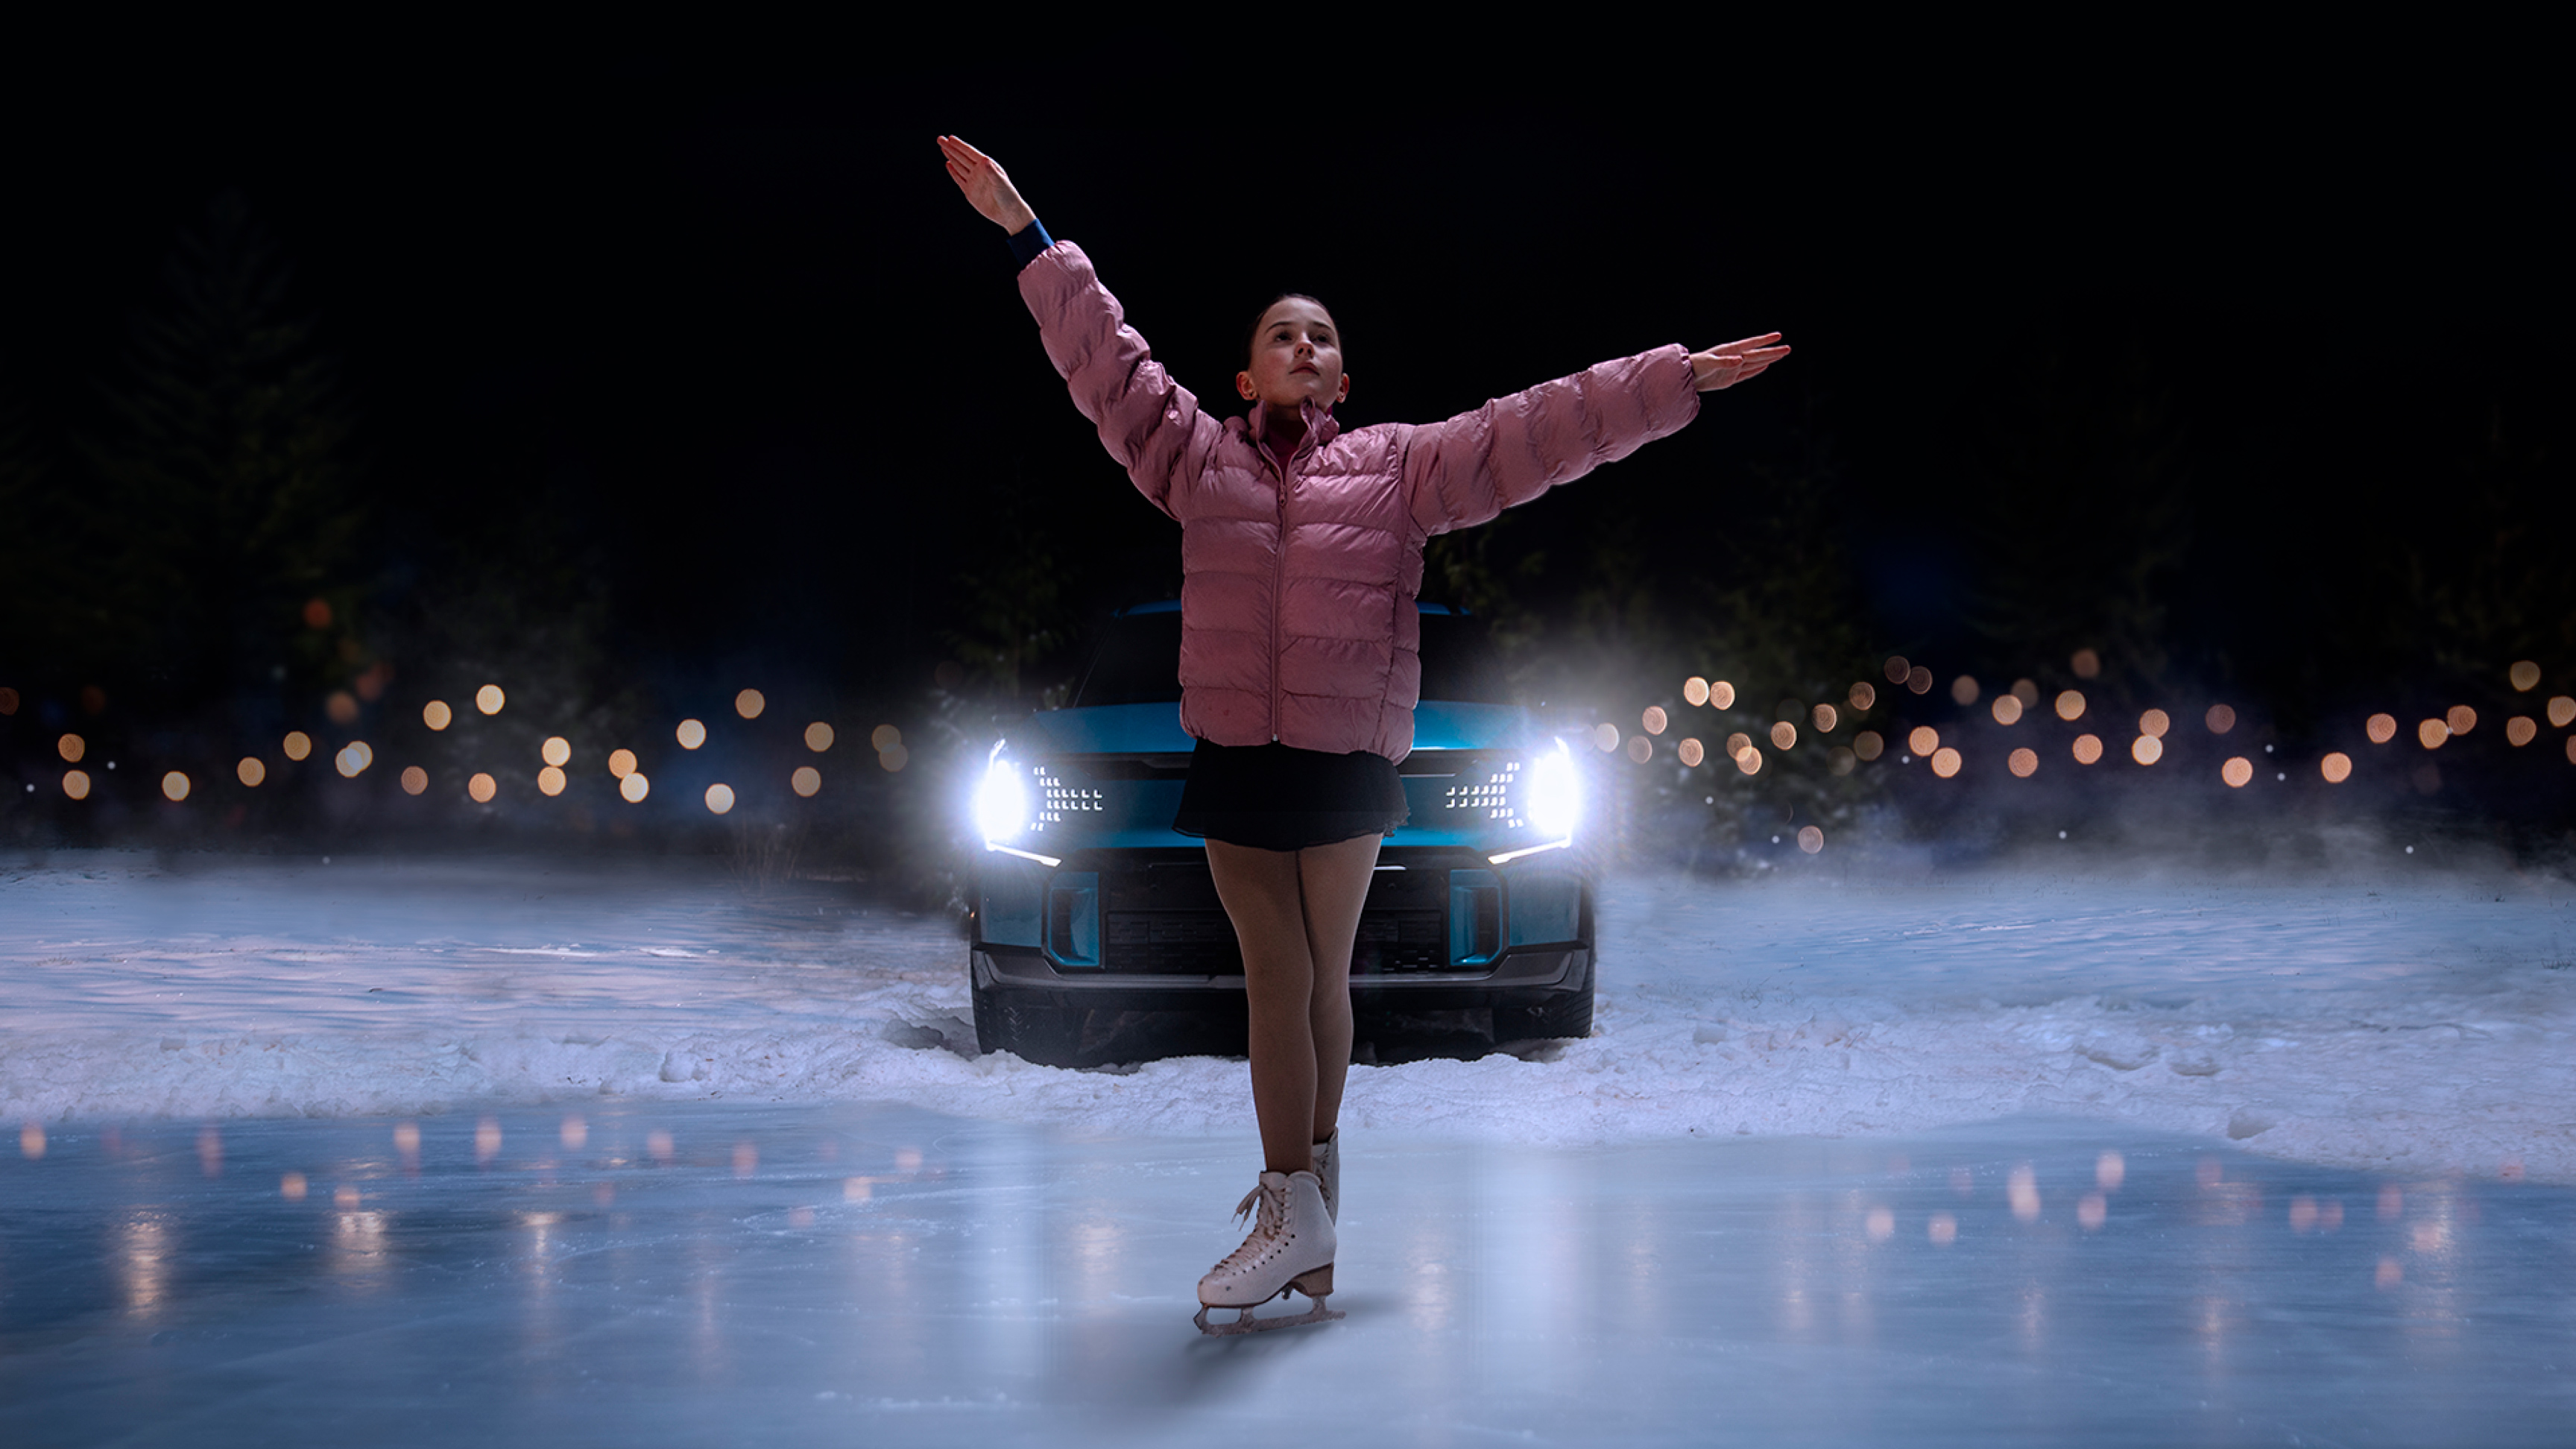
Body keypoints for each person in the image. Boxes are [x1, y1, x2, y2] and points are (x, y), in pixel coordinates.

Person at [938, 134, 1786, 1333]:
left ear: (1344, 377)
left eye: (1321, 337)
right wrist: (1027, 229)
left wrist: (1677, 379)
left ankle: (1295, 1212)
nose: (1303, 346)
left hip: (1342, 759)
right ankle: (1312, 1217)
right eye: (1282, 334)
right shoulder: (1191, 458)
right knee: (1286, 975)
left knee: (1302, 977)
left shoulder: (1400, 472)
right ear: (1245, 378)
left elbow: (1538, 429)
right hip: (1237, 755)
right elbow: (1104, 363)